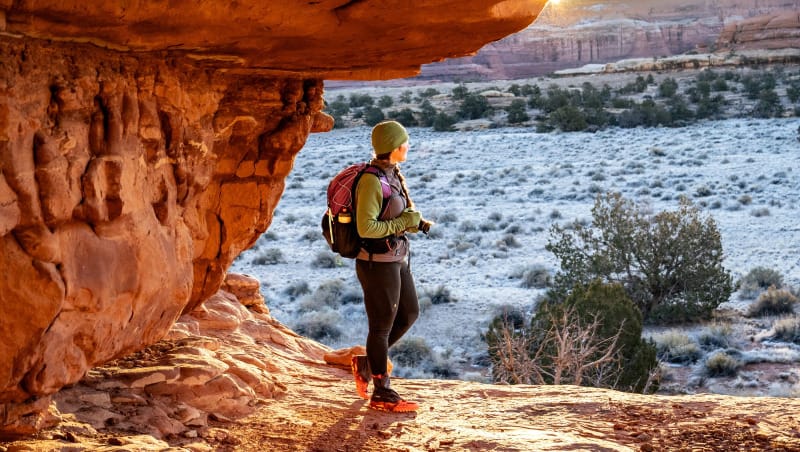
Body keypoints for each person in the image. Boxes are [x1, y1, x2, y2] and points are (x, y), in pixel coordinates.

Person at [350, 120, 432, 413]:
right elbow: (365, 227)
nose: (407, 146)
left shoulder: (392, 174)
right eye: (404, 142)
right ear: (394, 146)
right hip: (376, 263)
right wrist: (403, 223)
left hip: (394, 257)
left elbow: (394, 214)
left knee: (409, 312)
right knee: (381, 326)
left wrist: (413, 222)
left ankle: (367, 364)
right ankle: (382, 393)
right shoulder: (372, 180)